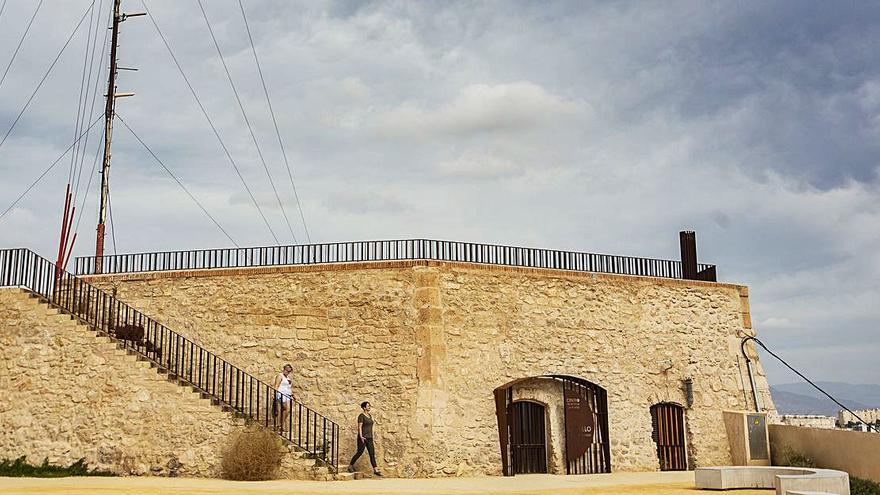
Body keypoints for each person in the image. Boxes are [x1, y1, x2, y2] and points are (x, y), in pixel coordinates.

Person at [347, 401, 382, 476]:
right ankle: (350, 466)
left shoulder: (369, 415)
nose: (369, 407)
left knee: (372, 453)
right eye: (368, 406)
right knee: (359, 452)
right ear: (364, 407)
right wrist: (361, 436)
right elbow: (359, 427)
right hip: (362, 438)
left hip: (370, 438)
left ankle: (375, 470)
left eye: (369, 406)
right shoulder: (361, 416)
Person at [273, 364, 294, 434]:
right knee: (287, 409)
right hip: (281, 394)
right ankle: (280, 424)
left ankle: (280, 424)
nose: (288, 372)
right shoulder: (280, 376)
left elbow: (288, 387)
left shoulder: (287, 378)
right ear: (284, 369)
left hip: (288, 395)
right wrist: (276, 395)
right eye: (287, 370)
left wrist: (293, 395)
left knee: (287, 410)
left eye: (289, 371)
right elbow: (276, 385)